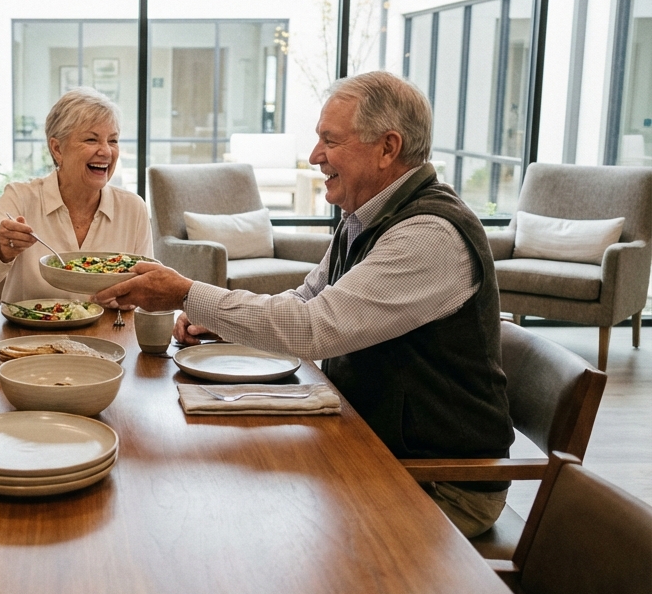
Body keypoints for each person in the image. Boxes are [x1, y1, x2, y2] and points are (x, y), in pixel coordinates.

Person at [95, 71, 513, 538]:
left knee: (235, 521)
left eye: (329, 141)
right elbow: (303, 300)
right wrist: (220, 321)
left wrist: (186, 293)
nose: (315, 157)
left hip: (435, 482)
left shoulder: (429, 236)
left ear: (387, 148)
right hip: (371, 445)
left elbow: (314, 328)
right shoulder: (369, 216)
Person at [0, 87, 154, 302]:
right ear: (57, 149)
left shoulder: (132, 208)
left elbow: (147, 289)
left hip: (109, 332)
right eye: (91, 140)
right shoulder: (20, 198)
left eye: (113, 140)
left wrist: (134, 299)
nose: (106, 151)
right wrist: (2, 251)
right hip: (31, 333)